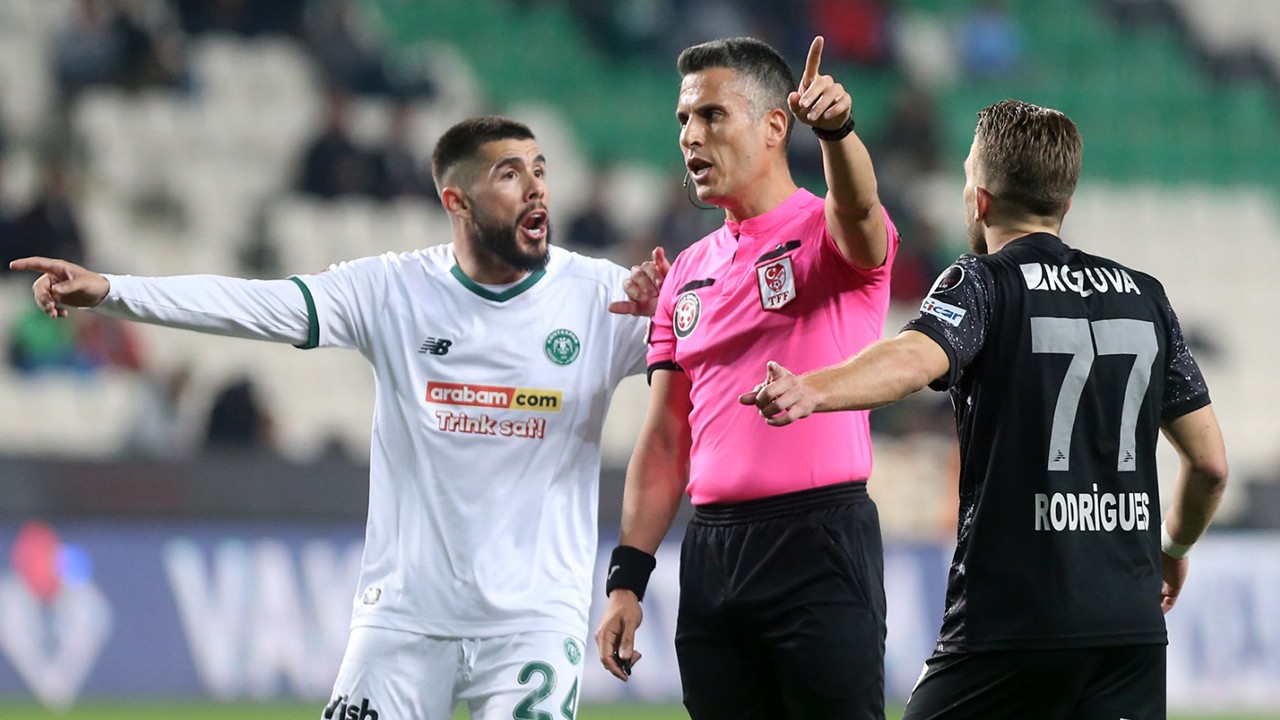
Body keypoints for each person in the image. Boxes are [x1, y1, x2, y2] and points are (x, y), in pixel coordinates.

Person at [11, 115, 651, 720]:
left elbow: (703, 348)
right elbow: (250, 304)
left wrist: (679, 309)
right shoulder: (392, 290)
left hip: (533, 625)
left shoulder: (604, 297)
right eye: (510, 174)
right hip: (403, 621)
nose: (536, 187)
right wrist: (111, 291)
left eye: (540, 170)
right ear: (456, 201)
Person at [740, 99, 1229, 718]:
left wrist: (814, 389)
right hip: (1128, 630)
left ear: (981, 200)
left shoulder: (982, 282)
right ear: (1065, 202)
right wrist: (1174, 550)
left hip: (1011, 622)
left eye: (968, 175)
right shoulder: (1145, 298)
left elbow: (914, 357)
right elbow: (1210, 465)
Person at [595, 36, 900, 719]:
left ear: (774, 127)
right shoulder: (685, 271)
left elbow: (859, 210)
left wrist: (838, 134)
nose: (690, 135)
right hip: (713, 552)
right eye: (684, 119)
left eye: (712, 115)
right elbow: (666, 441)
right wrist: (626, 582)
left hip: (819, 541)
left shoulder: (826, 234)